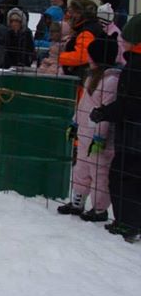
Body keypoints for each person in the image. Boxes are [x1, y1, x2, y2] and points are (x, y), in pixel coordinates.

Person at [89, 14, 141, 242]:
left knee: (122, 177)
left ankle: (126, 224)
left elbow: (129, 103)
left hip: (134, 134)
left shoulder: (135, 69)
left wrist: (104, 113)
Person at [58, 35, 120, 221]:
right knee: (81, 169)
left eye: (91, 55)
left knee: (99, 174)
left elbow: (105, 113)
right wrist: (75, 122)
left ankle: (99, 209)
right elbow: (83, 104)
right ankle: (77, 202)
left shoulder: (111, 81)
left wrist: (100, 137)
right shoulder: (91, 78)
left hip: (98, 139)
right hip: (84, 133)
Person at [60, 0, 104, 81]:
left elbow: (82, 56)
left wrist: (60, 57)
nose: (70, 16)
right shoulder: (89, 27)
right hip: (82, 76)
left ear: (81, 14)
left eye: (73, 12)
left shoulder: (87, 31)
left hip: (82, 79)